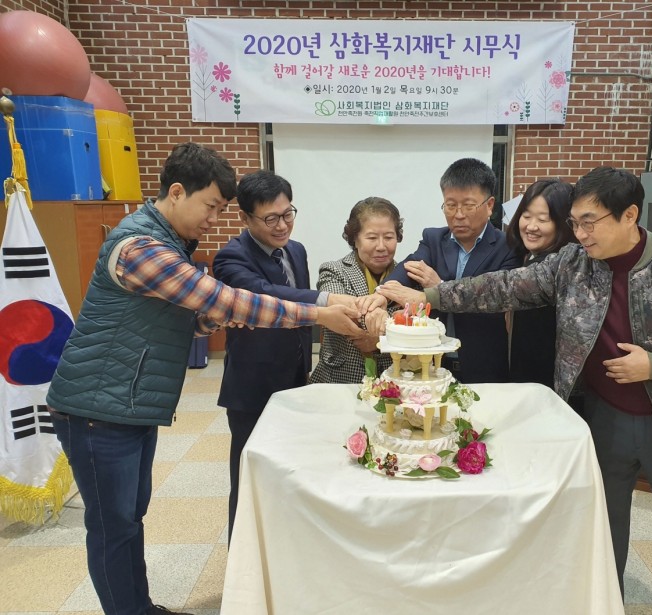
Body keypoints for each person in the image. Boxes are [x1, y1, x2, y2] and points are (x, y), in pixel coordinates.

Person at [378, 166, 652, 614]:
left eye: (590, 222)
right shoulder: (573, 264)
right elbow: (503, 287)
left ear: (630, 215)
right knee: (603, 529)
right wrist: (431, 297)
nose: (580, 233)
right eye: (575, 222)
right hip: (603, 420)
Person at [45, 143, 361, 615]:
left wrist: (218, 316)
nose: (214, 219)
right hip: (96, 407)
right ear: (176, 192)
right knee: (113, 527)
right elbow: (225, 299)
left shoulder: (169, 244)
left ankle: (140, 607)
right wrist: (318, 312)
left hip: (127, 402)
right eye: (210, 206)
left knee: (129, 518)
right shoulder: (140, 248)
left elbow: (192, 318)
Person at [212, 170, 357, 541]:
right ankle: (241, 558)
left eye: (288, 213)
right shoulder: (230, 258)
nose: (282, 225)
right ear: (246, 218)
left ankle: (284, 548)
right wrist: (326, 302)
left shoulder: (296, 250)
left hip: (295, 379)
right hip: (253, 387)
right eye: (270, 218)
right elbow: (267, 295)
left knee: (290, 472)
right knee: (248, 477)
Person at [377, 157, 519, 383]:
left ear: (490, 205)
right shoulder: (434, 239)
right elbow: (408, 268)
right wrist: (381, 295)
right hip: (432, 362)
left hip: (483, 364)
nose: (458, 215)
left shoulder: (508, 247)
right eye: (451, 205)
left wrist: (440, 288)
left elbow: (497, 302)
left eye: (468, 206)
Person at [309, 196, 403, 384]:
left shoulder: (406, 277)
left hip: (394, 382)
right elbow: (343, 313)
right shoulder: (333, 270)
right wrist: (390, 328)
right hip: (339, 380)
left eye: (388, 237)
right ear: (355, 239)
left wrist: (379, 341)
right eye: (372, 238)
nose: (381, 246)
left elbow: (418, 324)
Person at [505, 179, 577, 388]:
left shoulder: (559, 268)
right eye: (526, 216)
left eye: (543, 219)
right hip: (523, 375)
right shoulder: (525, 256)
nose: (531, 226)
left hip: (544, 384)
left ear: (565, 223)